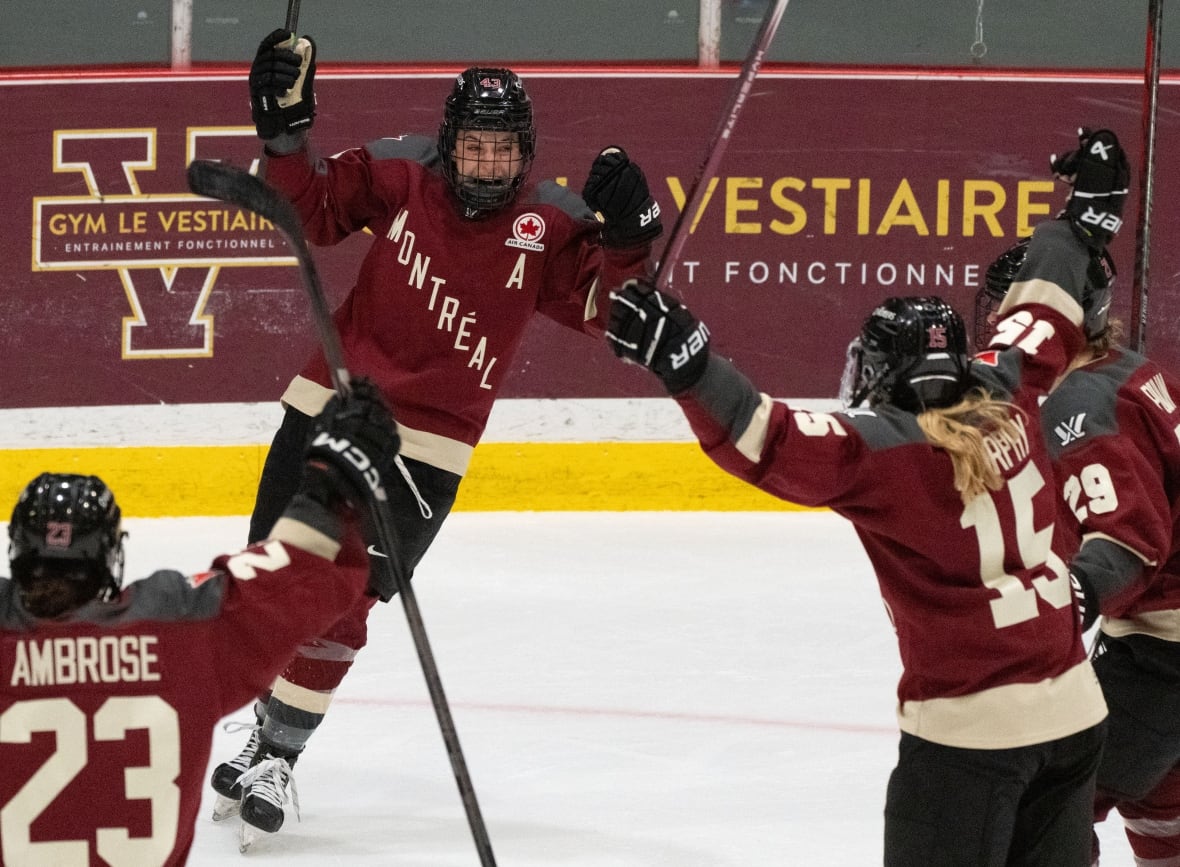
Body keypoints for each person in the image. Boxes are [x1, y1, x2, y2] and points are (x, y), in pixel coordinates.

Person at [601, 127, 1131, 864]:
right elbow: (1041, 310)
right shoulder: (1011, 387)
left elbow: (767, 436)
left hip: (972, 739)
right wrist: (1085, 217)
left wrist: (687, 364)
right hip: (1075, 714)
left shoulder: (885, 452)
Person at [209, 30, 663, 836]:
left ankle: (278, 750)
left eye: (503, 150)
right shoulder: (399, 171)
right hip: (329, 405)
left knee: (345, 599)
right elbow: (311, 208)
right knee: (277, 582)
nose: (488, 163)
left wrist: (630, 240)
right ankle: (264, 725)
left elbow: (612, 314)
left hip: (430, 449)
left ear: (524, 154)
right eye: (475, 147)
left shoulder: (551, 222)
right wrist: (283, 133)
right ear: (449, 143)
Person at [0, 380, 401, 866]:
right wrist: (333, 481)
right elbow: (304, 570)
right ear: (111, 555)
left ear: (17, 549)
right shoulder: (178, 634)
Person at [978, 139, 1180, 866]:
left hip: (1164, 654)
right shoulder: (1122, 370)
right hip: (1158, 644)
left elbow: (1129, 538)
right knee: (1161, 805)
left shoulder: (1079, 403)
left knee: (1045, 804)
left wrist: (1076, 592)